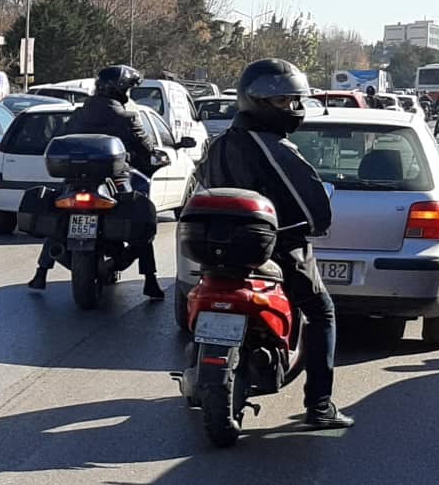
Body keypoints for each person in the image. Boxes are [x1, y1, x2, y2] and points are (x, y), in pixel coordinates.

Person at [195, 58, 353, 430]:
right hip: (275, 247)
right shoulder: (275, 148)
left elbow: (202, 188)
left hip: (217, 248)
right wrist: (313, 224)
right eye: (282, 101)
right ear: (257, 102)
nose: (291, 108)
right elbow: (314, 209)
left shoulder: (219, 145)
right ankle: (320, 405)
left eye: (293, 100)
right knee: (322, 312)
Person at [28, 64, 164, 299]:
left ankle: (41, 273)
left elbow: (59, 138)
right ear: (121, 90)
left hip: (74, 179)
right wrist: (151, 156)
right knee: (140, 222)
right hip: (115, 179)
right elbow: (146, 149)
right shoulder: (128, 118)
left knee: (59, 222)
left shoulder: (79, 114)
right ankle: (150, 280)